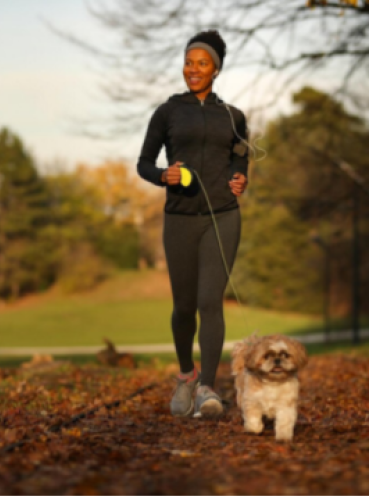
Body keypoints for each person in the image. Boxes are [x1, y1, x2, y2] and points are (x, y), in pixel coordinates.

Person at [137, 30, 249, 417]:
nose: (193, 69)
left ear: (215, 69)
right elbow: (144, 163)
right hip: (181, 219)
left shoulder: (233, 117)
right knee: (184, 306)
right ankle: (186, 375)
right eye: (189, 62)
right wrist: (162, 176)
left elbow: (240, 159)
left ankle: (207, 389)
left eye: (202, 63)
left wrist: (240, 177)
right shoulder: (167, 112)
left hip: (223, 217)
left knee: (209, 302)